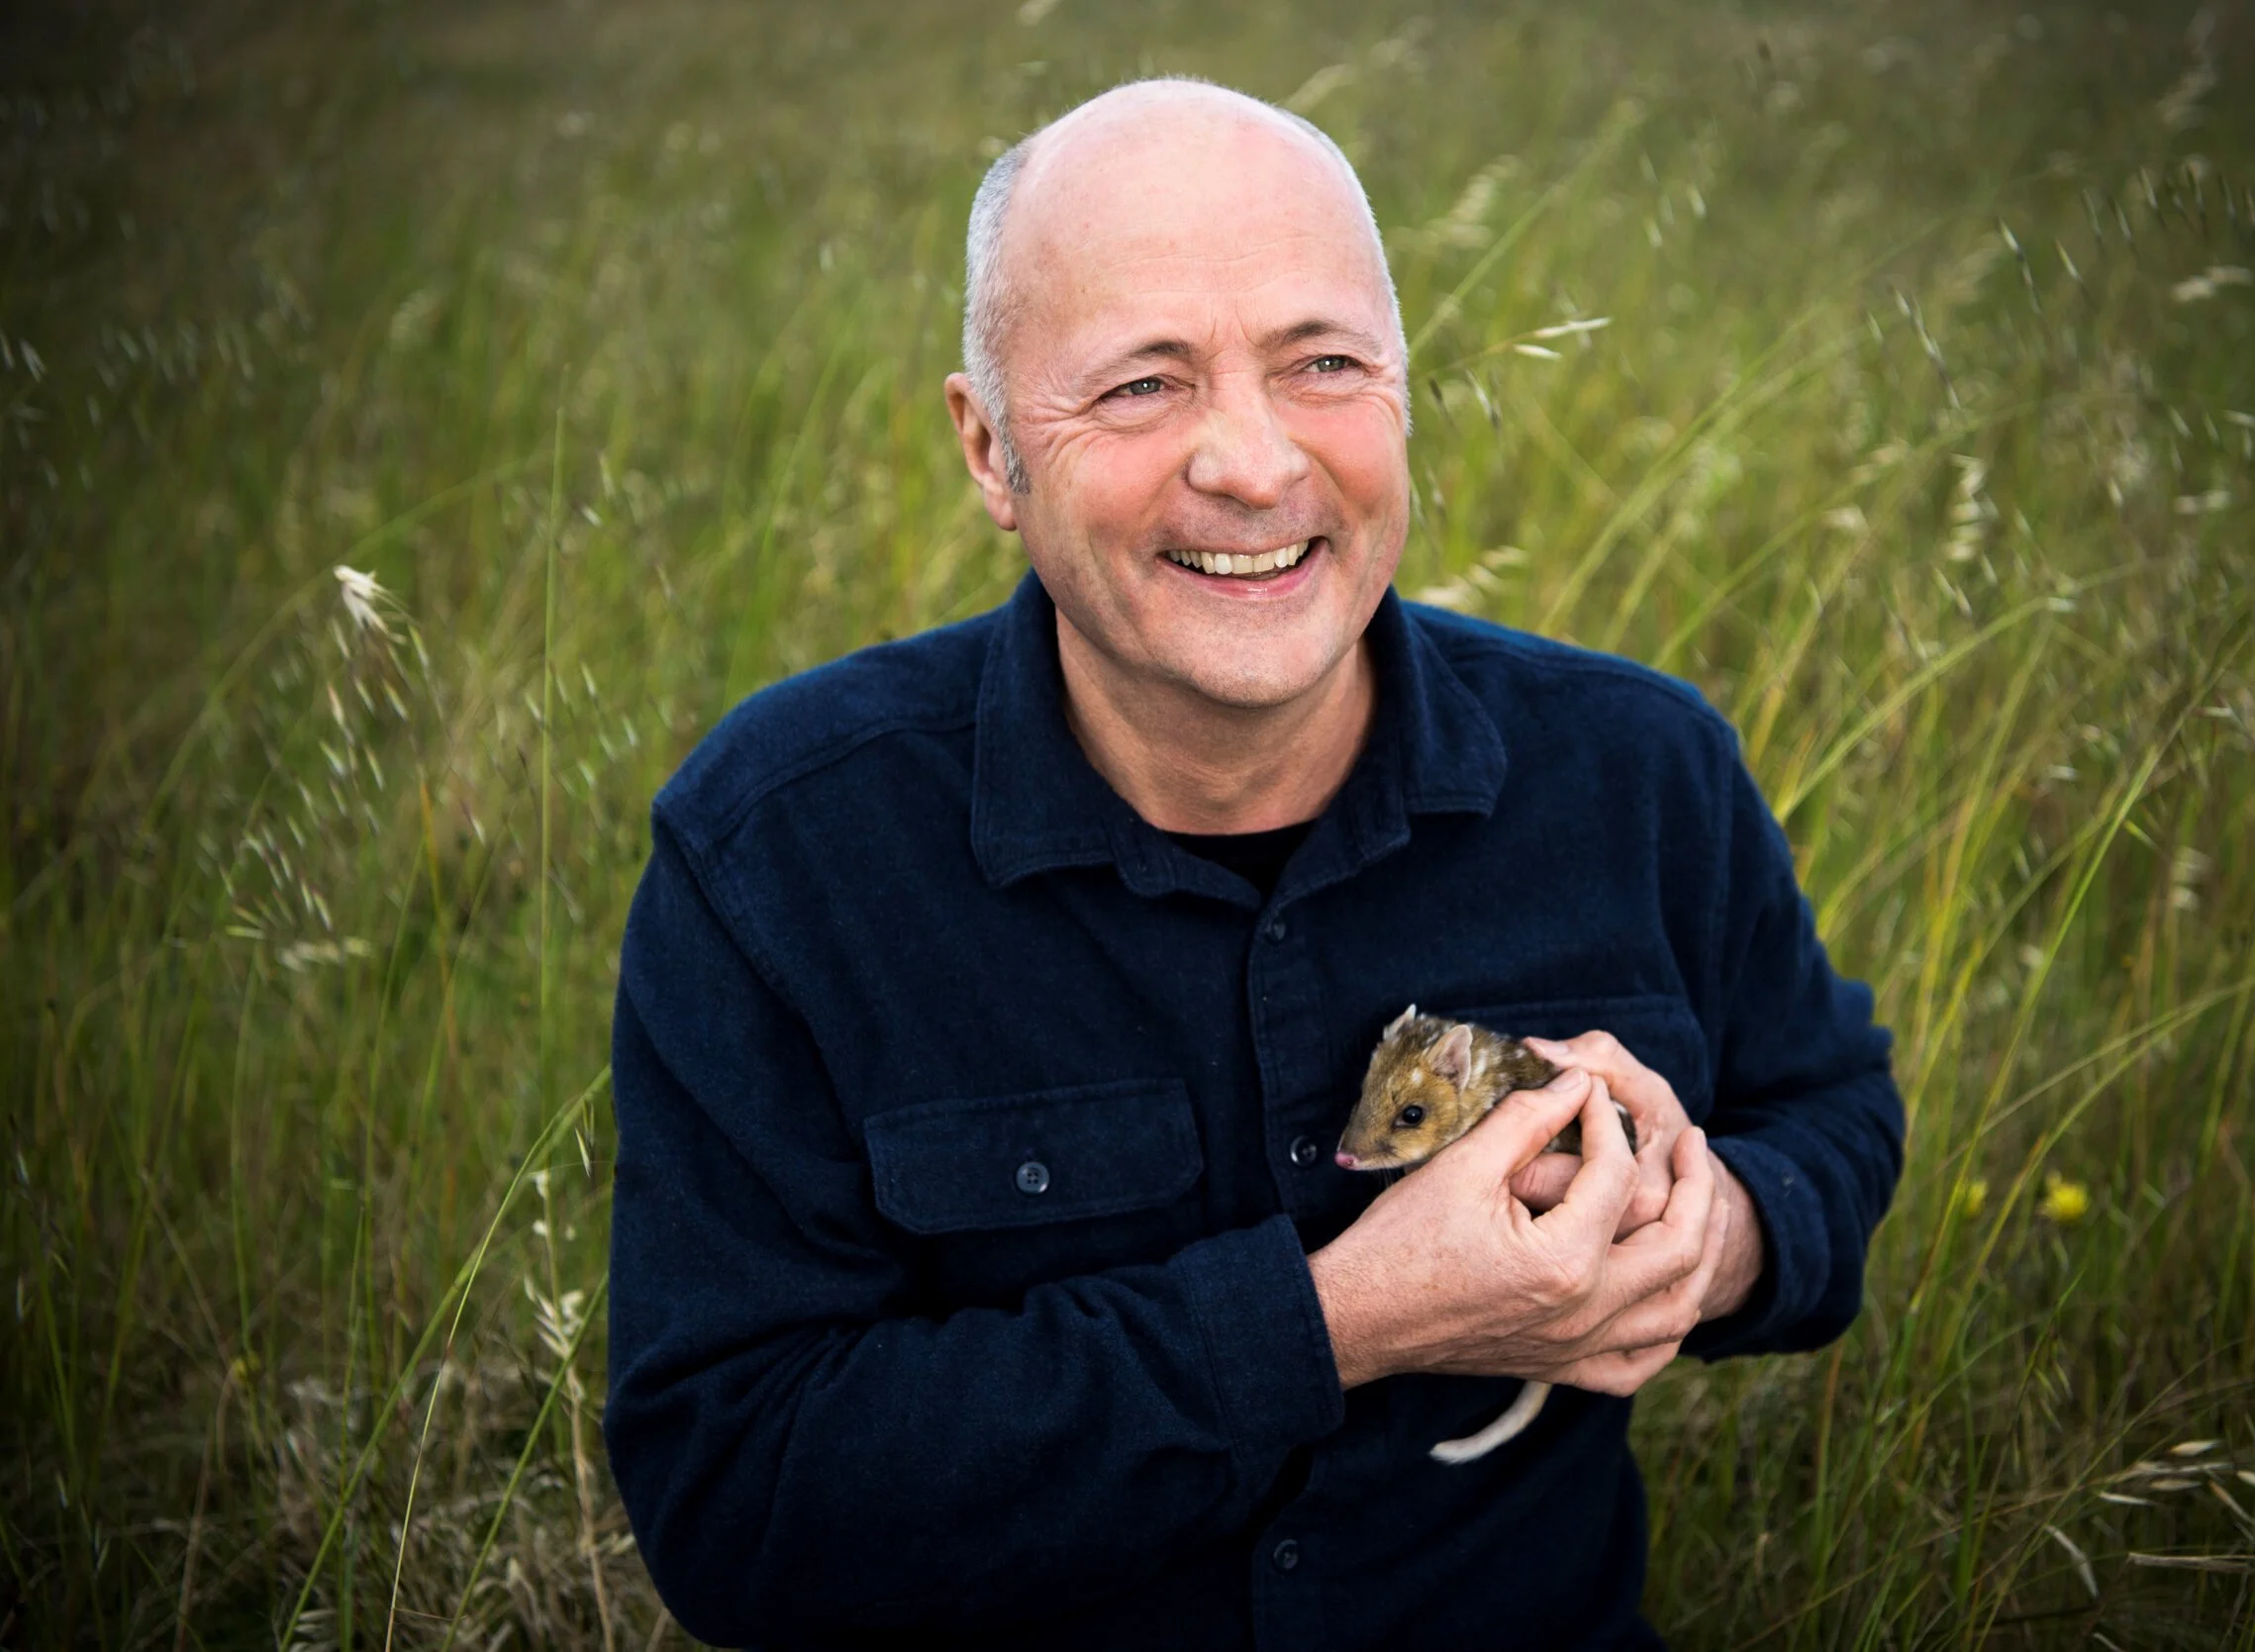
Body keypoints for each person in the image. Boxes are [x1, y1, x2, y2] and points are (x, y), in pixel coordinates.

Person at [603, 77, 1905, 1651]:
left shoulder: (1635, 771)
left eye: (1325, 365)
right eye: (1143, 386)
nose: (1253, 461)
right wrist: (1342, 1320)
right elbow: (741, 1503)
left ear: (1406, 391)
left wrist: (1717, 1242)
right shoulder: (781, 854)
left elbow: (1828, 1110)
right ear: (992, 449)